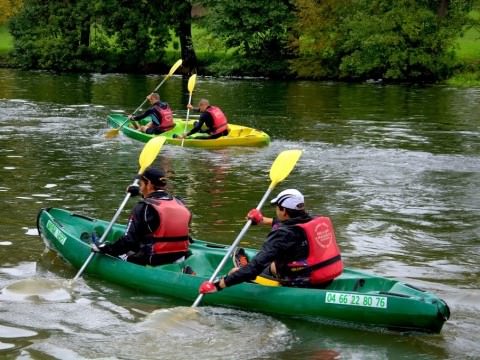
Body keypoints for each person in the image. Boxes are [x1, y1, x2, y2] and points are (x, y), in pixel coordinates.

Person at [198, 189, 343, 293]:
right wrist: (261, 220)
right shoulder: (315, 220)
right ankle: (249, 267)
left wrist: (218, 286)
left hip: (301, 282)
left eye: (277, 209)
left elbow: (254, 270)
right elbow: (289, 224)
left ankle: (229, 275)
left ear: (284, 211)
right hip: (325, 277)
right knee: (274, 263)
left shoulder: (282, 235)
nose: (276, 212)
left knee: (236, 272)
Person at [93, 167, 192, 266]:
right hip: (180, 256)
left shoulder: (143, 207)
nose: (140, 186)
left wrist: (106, 248)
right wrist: (140, 192)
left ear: (148, 184)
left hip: (152, 259)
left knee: (120, 249)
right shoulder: (180, 203)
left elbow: (129, 241)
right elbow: (159, 201)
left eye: (141, 184)